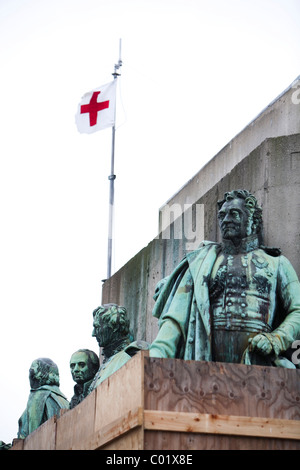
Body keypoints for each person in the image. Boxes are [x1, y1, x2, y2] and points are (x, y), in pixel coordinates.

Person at [150, 189, 300, 368]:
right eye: (222, 216)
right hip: (207, 364)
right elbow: (175, 317)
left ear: (253, 220)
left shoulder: (277, 263)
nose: (226, 220)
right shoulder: (202, 261)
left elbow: (297, 310)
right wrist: (155, 356)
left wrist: (276, 339)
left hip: (260, 363)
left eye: (234, 214)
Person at [88, 303, 149, 391]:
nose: (93, 334)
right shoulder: (106, 363)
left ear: (114, 327)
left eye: (97, 327)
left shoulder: (133, 353)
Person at [18, 358, 69, 438]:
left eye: (32, 370)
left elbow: (32, 438)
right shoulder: (65, 401)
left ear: (39, 375)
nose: (30, 373)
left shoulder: (38, 396)